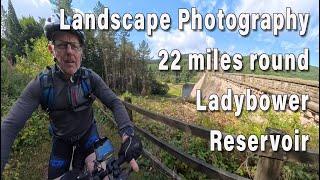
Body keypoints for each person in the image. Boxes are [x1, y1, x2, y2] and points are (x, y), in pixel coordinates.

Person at [1, 14, 142, 179]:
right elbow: (9, 127)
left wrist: (127, 134)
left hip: (88, 134)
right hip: (61, 140)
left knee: (102, 173)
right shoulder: (42, 84)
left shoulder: (90, 78)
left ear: (81, 52)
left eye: (74, 46)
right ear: (51, 49)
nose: (69, 51)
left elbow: (114, 102)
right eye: (62, 45)